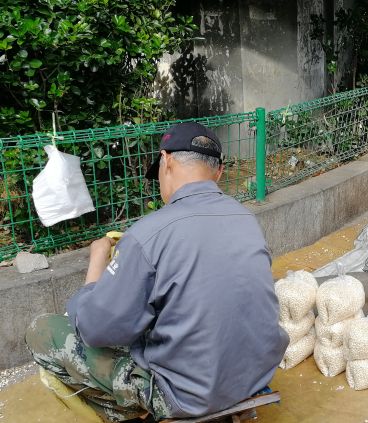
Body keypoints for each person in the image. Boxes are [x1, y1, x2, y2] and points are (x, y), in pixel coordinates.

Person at [25, 122, 289, 421]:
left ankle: (129, 413)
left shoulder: (147, 235)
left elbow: (95, 330)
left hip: (188, 397)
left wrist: (97, 266)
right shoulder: (245, 219)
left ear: (166, 160)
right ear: (219, 171)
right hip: (254, 378)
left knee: (42, 332)